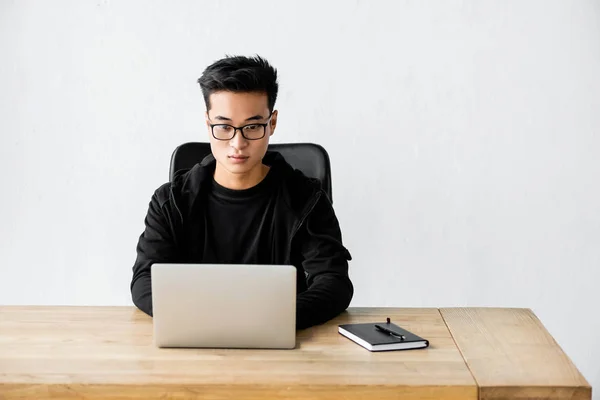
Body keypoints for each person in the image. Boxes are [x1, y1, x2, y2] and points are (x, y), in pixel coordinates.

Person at [130, 55, 353, 329]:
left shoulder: (306, 200)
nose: (238, 143)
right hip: (195, 344)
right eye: (224, 126)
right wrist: (214, 320)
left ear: (271, 123)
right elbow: (144, 282)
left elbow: (334, 283)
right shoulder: (171, 202)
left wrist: (267, 320)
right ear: (207, 122)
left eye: (252, 127)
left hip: (280, 344)